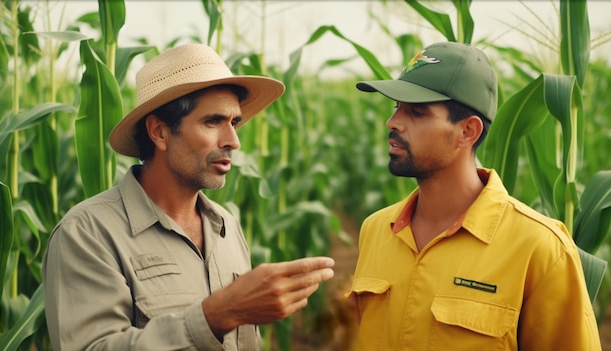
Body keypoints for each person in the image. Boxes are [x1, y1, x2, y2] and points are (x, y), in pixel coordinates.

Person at [42, 43, 335, 351]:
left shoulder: (227, 227)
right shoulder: (87, 233)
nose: (233, 141)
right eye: (213, 122)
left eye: (234, 122)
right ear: (159, 132)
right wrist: (217, 314)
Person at [347, 41, 601, 350]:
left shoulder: (540, 249)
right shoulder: (375, 230)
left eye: (416, 112)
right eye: (395, 107)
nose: (393, 122)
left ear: (468, 131)